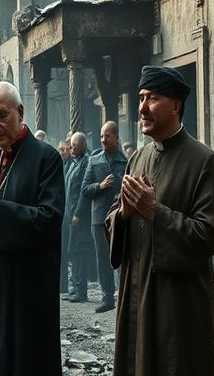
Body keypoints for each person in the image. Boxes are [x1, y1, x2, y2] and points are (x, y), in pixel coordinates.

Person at [105, 66, 214, 376]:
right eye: (141, 98)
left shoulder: (203, 161)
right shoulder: (137, 158)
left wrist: (155, 210)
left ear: (176, 105)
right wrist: (125, 214)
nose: (142, 107)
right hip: (136, 291)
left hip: (178, 303)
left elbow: (206, 236)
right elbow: (113, 219)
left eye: (152, 98)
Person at [0, 81, 64, 374]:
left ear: (20, 112)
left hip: (24, 280)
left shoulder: (46, 159)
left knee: (22, 357)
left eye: (2, 115)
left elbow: (49, 218)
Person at [80, 121, 126, 313]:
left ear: (116, 136)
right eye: (101, 136)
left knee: (122, 256)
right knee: (102, 258)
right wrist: (100, 186)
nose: (103, 140)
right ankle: (107, 298)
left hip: (120, 216)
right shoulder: (94, 160)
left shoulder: (125, 161)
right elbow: (85, 189)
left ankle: (124, 295)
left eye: (107, 136)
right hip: (99, 218)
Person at [63, 132, 95, 302]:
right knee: (73, 251)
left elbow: (84, 192)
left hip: (80, 217)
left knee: (80, 251)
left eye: (74, 145)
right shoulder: (73, 162)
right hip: (70, 214)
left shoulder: (86, 163)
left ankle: (81, 291)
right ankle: (75, 288)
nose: (71, 147)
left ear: (82, 145)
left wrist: (77, 213)